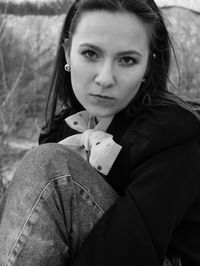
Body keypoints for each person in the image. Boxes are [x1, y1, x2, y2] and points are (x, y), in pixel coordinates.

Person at [0, 0, 200, 265]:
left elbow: (127, 252)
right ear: (68, 52)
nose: (105, 78)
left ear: (147, 67)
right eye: (91, 54)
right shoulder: (63, 129)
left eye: (127, 60)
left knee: (48, 164)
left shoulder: (174, 136)